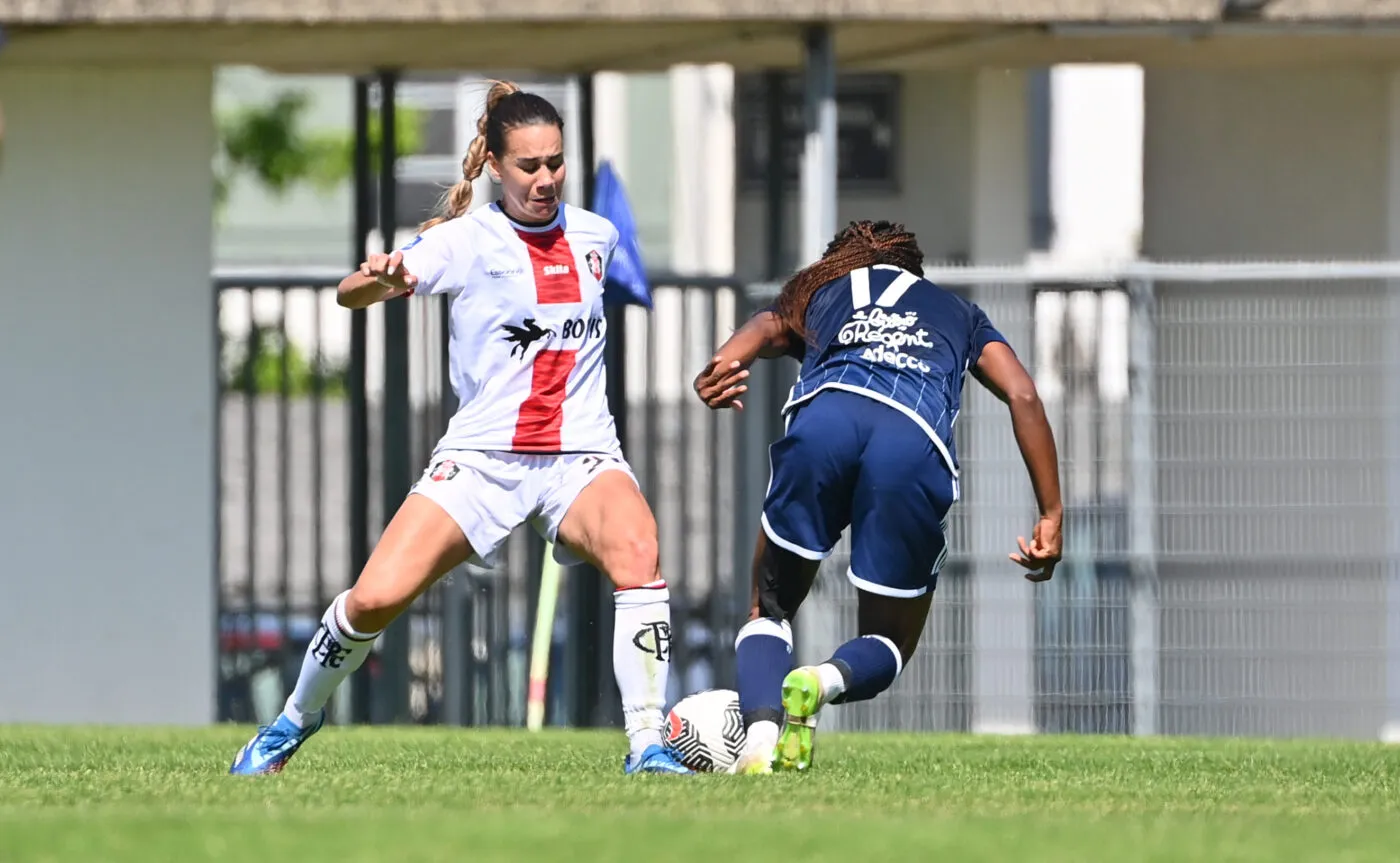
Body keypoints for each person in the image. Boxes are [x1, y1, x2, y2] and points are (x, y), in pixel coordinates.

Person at [230, 81, 691, 777]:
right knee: (374, 599)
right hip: (482, 460)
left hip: (581, 456)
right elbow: (349, 291)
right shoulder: (465, 241)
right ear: (497, 168)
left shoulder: (597, 235)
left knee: (639, 550)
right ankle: (294, 718)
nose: (545, 179)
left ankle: (648, 744)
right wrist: (380, 278)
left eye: (556, 162)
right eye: (529, 166)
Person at [693, 220, 1063, 773]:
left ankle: (761, 737)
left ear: (840, 262)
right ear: (913, 267)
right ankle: (820, 681)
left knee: (767, 608)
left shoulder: (820, 293)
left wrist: (723, 363)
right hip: (910, 442)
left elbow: (769, 326)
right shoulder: (957, 312)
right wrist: (1052, 512)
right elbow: (1023, 394)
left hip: (826, 423)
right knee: (888, 638)